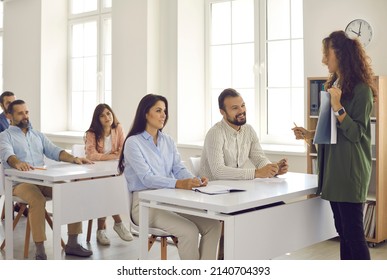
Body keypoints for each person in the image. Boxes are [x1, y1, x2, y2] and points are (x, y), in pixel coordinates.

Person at [292, 31, 377, 260]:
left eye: (326, 54)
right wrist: (310, 134)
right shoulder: (334, 84)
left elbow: (357, 133)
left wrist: (339, 106)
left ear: (340, 55)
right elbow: (332, 131)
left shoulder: (362, 90)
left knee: (354, 236)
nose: (323, 60)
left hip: (349, 173)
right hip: (333, 172)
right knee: (343, 233)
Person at [118, 94, 222, 260]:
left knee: (213, 226)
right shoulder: (133, 143)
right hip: (145, 205)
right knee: (189, 231)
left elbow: (179, 168)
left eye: (164, 111)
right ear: (146, 114)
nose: (163, 115)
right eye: (158, 110)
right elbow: (147, 178)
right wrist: (179, 183)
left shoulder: (168, 140)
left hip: (170, 201)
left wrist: (194, 180)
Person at [0, 99, 94, 260]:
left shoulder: (37, 135)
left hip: (42, 181)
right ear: (9, 115)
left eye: (27, 112)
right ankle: (40, 249)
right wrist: (18, 163)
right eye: (20, 113)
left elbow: (55, 151)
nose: (25, 116)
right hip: (19, 183)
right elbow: (8, 155)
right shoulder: (4, 136)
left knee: (72, 191)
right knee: (37, 200)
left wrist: (74, 158)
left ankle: (72, 243)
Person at [199, 88, 289, 180]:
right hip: (212, 190)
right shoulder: (215, 133)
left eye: (243, 105)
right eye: (235, 108)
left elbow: (259, 158)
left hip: (237, 188)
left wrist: (272, 169)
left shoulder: (248, 130)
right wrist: (256, 173)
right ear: (222, 112)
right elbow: (218, 171)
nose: (241, 111)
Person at [84, 103, 133, 245]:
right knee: (104, 188)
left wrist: (110, 155)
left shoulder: (117, 129)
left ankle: (101, 230)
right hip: (94, 173)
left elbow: (123, 150)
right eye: (102, 115)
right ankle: (117, 222)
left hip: (111, 172)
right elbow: (91, 155)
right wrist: (112, 155)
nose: (107, 117)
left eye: (109, 113)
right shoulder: (91, 133)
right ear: (97, 119)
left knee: (105, 189)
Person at [0, 91, 28, 217]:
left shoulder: (23, 121)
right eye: (8, 102)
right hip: (6, 159)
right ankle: (16, 205)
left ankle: (20, 205)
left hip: (20, 160)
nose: (12, 104)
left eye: (13, 101)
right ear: (2, 105)